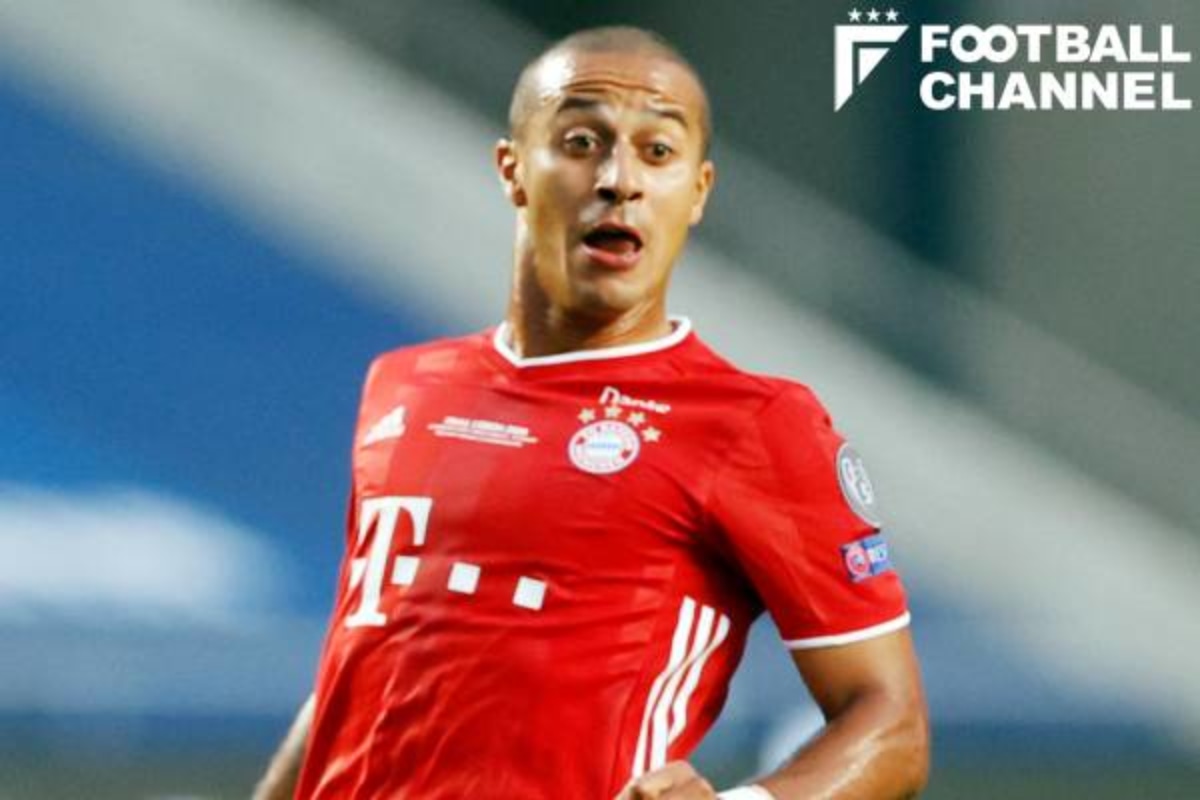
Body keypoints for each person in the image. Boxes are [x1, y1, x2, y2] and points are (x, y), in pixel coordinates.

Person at [254, 25, 929, 800]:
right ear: (512, 169)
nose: (619, 179)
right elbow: (357, 664)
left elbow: (891, 725)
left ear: (698, 192)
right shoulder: (406, 384)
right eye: (581, 143)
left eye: (658, 151)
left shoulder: (755, 424)